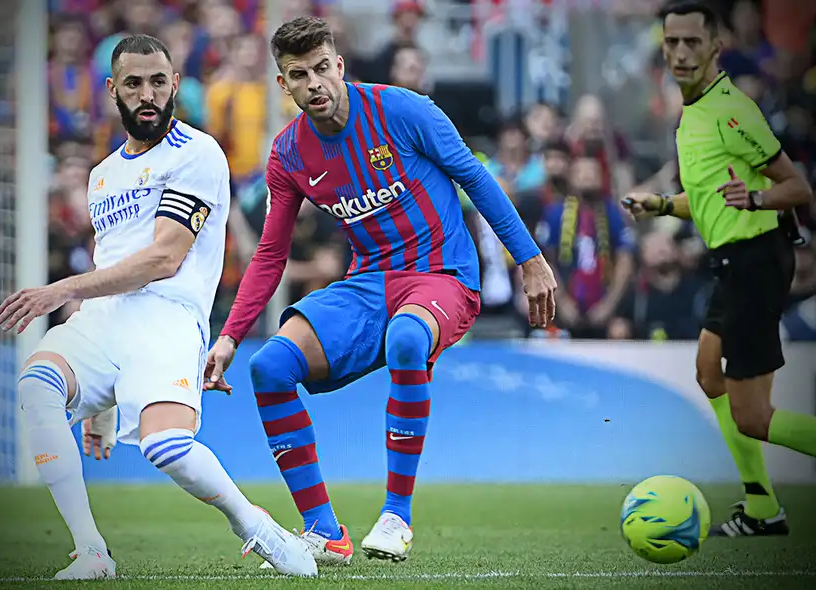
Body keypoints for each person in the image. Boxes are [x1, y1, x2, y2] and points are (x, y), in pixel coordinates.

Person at [203, 16, 557, 565]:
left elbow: (475, 177)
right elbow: (271, 253)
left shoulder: (402, 110)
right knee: (268, 367)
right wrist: (229, 336)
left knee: (407, 339)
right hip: (368, 283)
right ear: (284, 85)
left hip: (443, 275)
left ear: (339, 65)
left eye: (323, 68)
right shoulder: (288, 155)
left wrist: (530, 260)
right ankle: (324, 530)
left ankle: (396, 516)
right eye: (300, 75)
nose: (315, 83)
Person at [0, 34, 316, 579]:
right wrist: (100, 402)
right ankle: (91, 551)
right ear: (112, 90)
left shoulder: (197, 153)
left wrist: (59, 290)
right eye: (135, 83)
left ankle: (255, 525)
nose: (148, 94)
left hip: (166, 316)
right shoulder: (102, 176)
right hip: (102, 321)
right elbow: (113, 267)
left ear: (174, 84)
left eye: (159, 81)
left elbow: (163, 259)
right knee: (37, 388)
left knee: (166, 446)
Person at [622, 1, 816, 539]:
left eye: (693, 42)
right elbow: (709, 198)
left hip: (757, 259)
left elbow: (797, 187)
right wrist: (662, 205)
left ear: (716, 47)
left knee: (754, 417)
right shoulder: (693, 112)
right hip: (733, 261)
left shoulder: (732, 111)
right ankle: (761, 508)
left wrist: (757, 198)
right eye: (672, 42)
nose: (681, 52)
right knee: (708, 373)